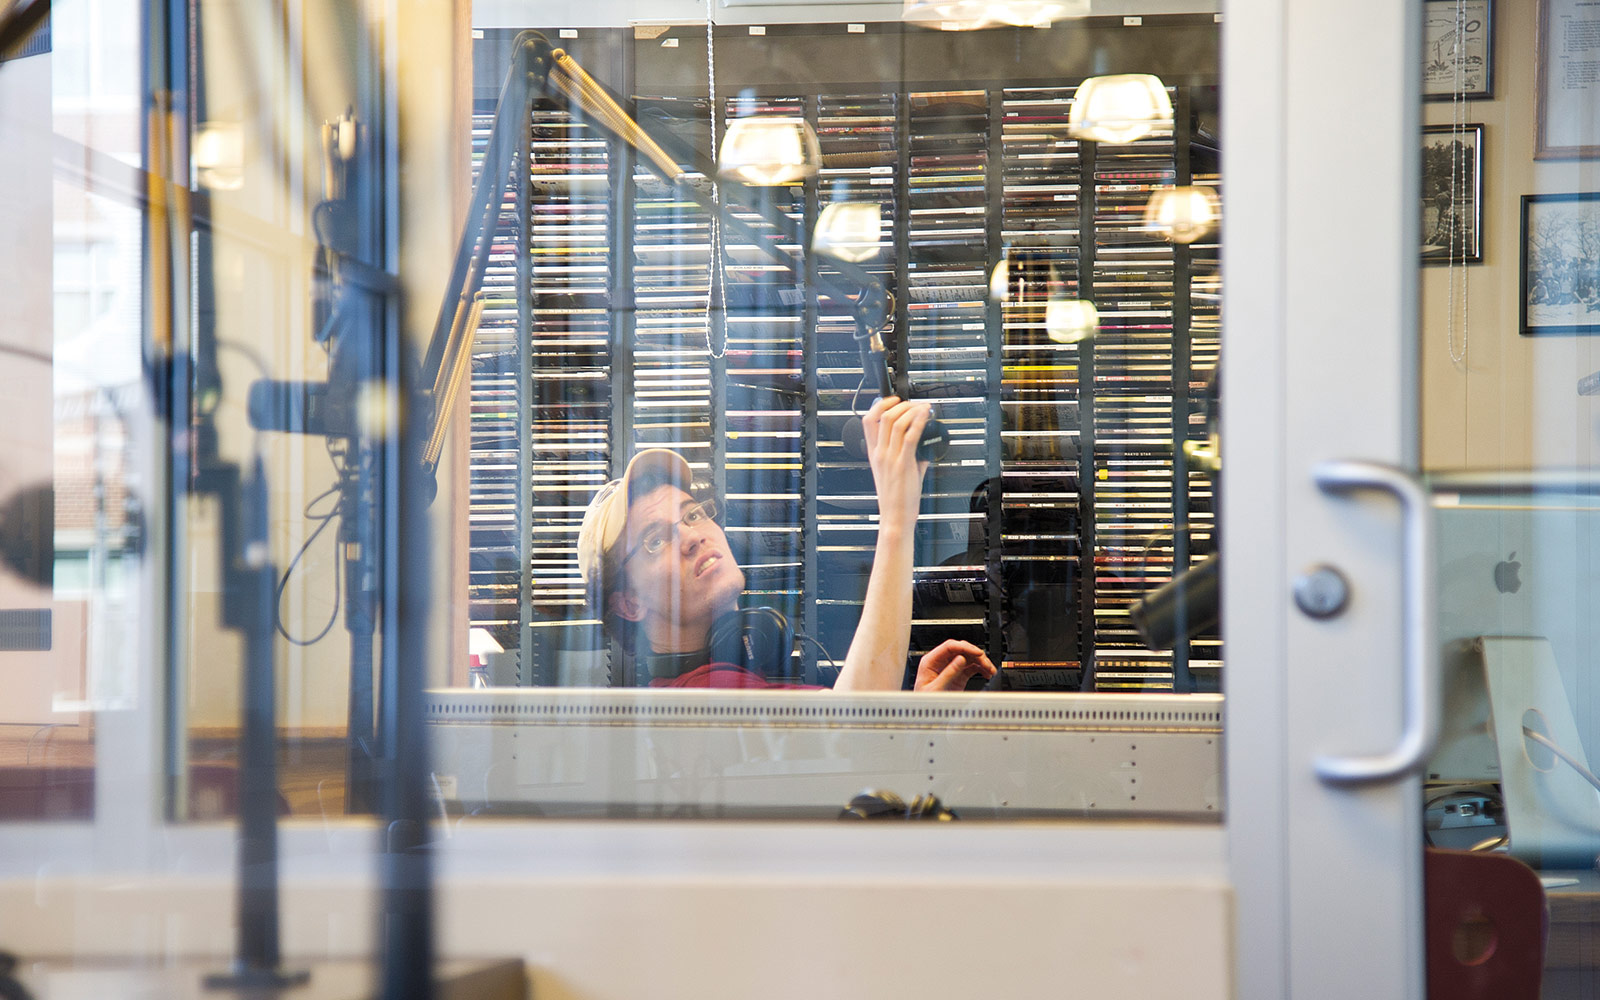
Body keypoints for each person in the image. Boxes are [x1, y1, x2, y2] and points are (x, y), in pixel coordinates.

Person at [577, 396, 997, 691]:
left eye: (692, 513)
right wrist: (896, 520)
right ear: (629, 604)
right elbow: (852, 734)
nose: (692, 535)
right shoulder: (699, 705)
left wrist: (911, 718)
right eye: (655, 540)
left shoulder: (739, 682)